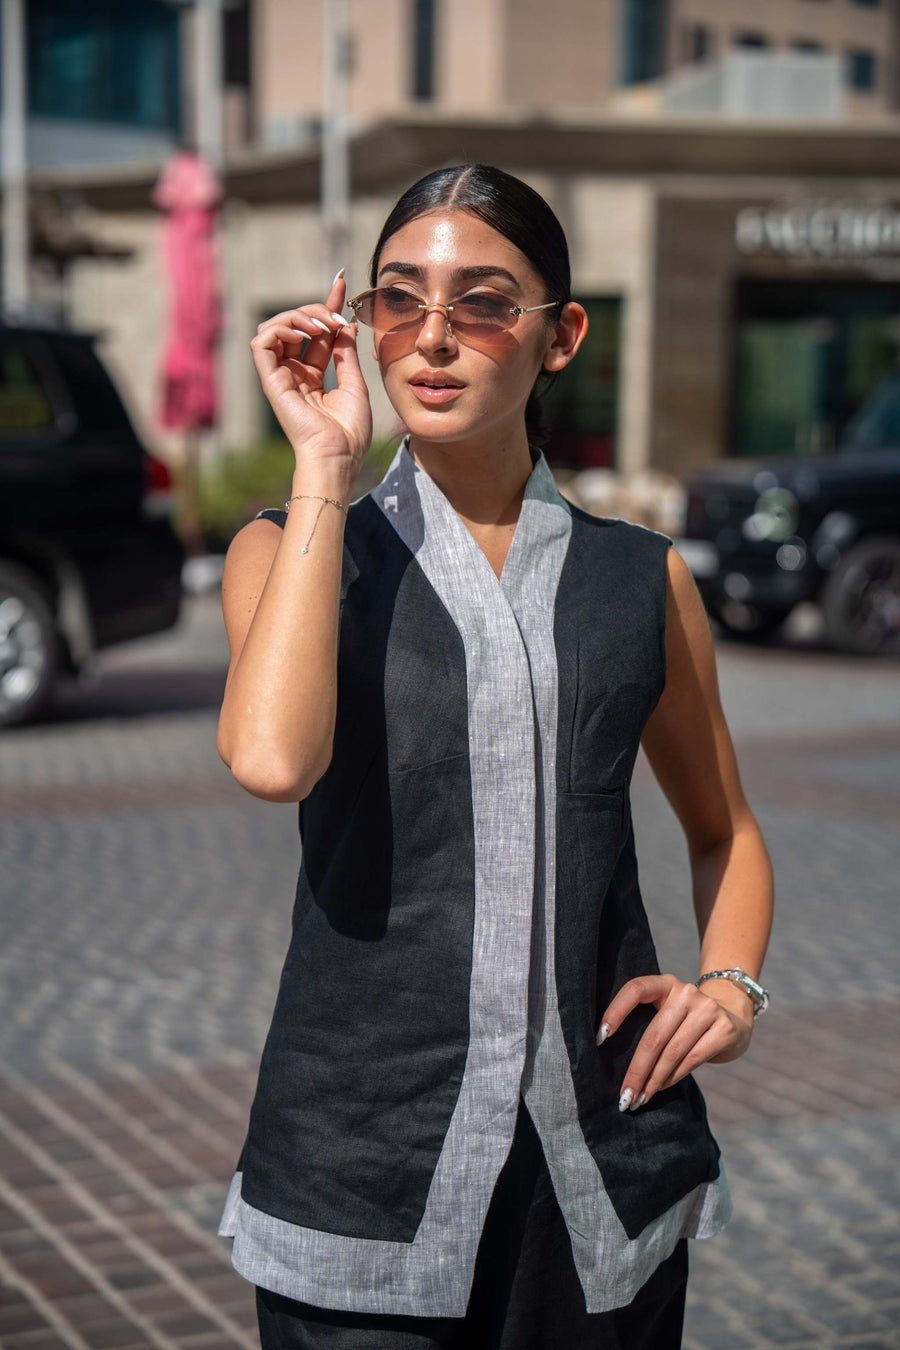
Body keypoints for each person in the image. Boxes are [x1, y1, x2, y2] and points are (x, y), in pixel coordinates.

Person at [215, 163, 774, 1349]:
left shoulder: (641, 577)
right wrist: (322, 465)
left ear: (560, 335)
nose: (431, 339)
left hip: (603, 1169)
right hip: (364, 1163)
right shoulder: (292, 551)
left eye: (481, 303)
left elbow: (722, 825)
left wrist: (731, 987)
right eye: (397, 301)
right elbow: (271, 760)